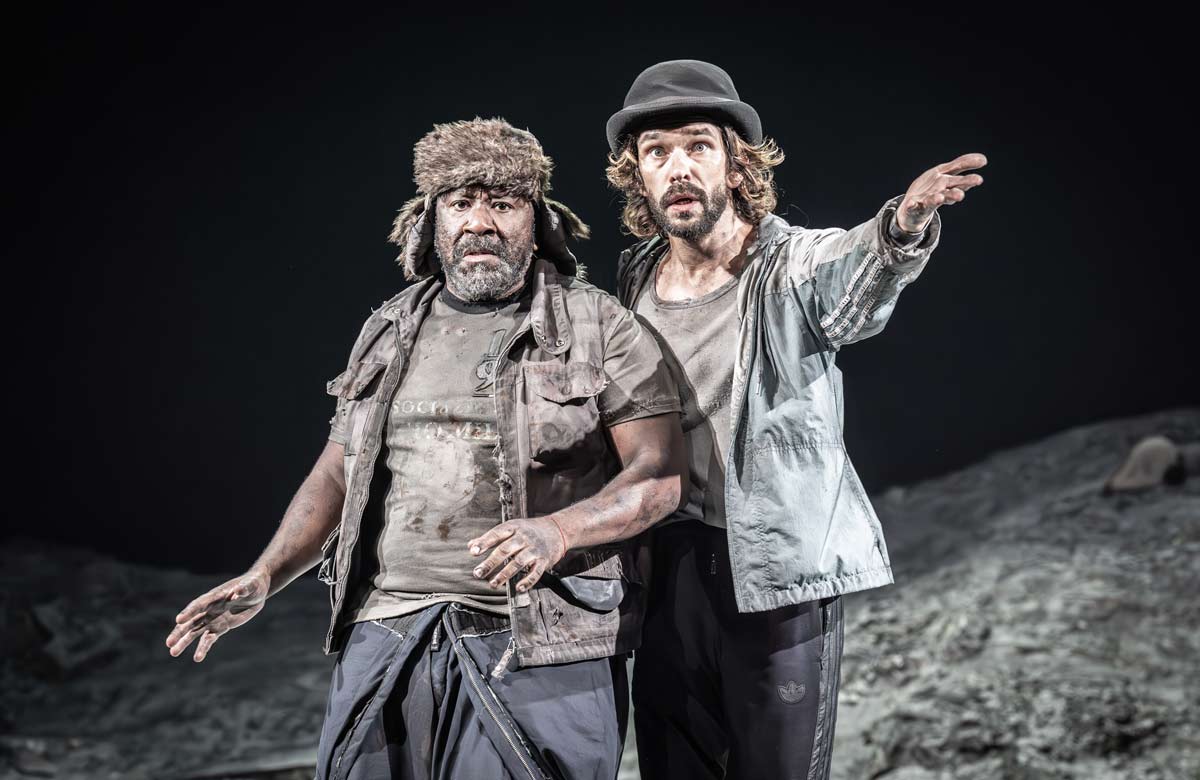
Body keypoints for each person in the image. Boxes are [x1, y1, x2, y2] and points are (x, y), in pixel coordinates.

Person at [165, 117, 685, 780]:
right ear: (431, 220)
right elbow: (338, 471)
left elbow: (659, 477)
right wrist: (267, 574)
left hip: (536, 644)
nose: (480, 222)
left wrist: (559, 531)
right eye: (460, 203)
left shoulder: (600, 327)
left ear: (538, 221)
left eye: (503, 203)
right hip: (388, 632)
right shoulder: (388, 329)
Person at [605, 60, 987, 779]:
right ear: (638, 177)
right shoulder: (634, 275)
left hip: (775, 574)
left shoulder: (789, 265)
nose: (677, 166)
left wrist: (899, 229)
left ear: (737, 167)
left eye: (697, 145)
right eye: (657, 153)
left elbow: (853, 282)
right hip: (666, 570)